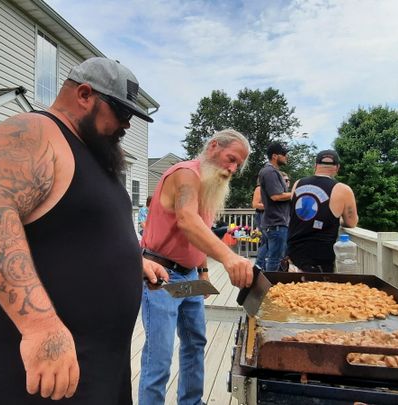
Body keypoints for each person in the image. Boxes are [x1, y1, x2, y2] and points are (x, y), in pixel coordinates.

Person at [0, 57, 167, 404]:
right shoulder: (30, 131)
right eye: (121, 113)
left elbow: (81, 230)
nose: (127, 125)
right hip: (48, 362)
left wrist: (136, 263)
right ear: (84, 94)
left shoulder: (93, 153)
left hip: (100, 362)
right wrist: (39, 326)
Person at [138, 129, 254, 405]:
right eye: (231, 159)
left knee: (195, 343)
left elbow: (199, 233)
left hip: (189, 276)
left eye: (238, 164)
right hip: (162, 275)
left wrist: (202, 270)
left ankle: (191, 402)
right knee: (160, 356)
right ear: (213, 146)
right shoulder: (185, 174)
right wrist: (229, 258)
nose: (233, 168)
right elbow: (187, 221)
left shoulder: (210, 184)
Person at [287, 149, 358, 273]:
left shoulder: (298, 184)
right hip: (320, 260)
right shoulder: (343, 189)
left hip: (293, 254)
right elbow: (351, 222)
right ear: (337, 167)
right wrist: (338, 220)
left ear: (315, 166)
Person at [257, 142, 292, 271]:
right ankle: (270, 288)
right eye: (284, 154)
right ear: (275, 156)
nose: (286, 156)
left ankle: (265, 284)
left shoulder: (272, 171)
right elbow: (276, 196)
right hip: (276, 223)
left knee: (271, 258)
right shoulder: (270, 171)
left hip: (273, 223)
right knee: (274, 260)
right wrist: (295, 193)